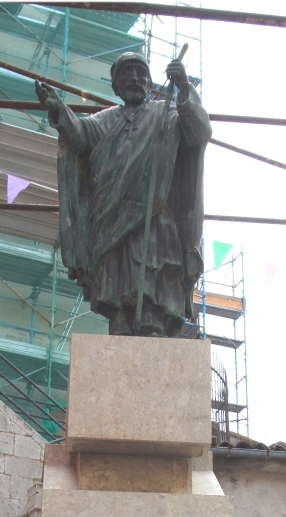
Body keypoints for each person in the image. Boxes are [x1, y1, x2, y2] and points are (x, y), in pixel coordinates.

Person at [36, 52, 212, 337]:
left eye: (140, 73)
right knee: (117, 283)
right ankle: (119, 322)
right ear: (116, 86)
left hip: (154, 216)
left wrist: (184, 89)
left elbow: (199, 132)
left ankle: (153, 322)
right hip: (113, 217)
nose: (134, 79)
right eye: (126, 74)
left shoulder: (165, 112)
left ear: (150, 81)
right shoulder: (105, 120)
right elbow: (80, 137)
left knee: (153, 274)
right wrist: (60, 112)